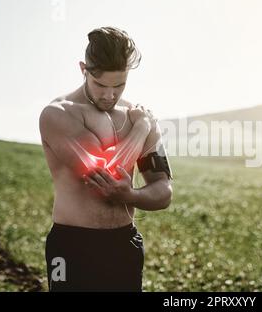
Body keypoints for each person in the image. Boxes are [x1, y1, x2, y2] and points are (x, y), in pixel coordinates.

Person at [39, 26, 173, 292]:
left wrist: (131, 196)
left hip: (125, 244)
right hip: (72, 246)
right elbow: (104, 176)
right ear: (83, 69)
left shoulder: (135, 115)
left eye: (119, 85)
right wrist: (141, 130)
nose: (109, 95)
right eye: (100, 85)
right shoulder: (58, 114)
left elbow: (163, 191)